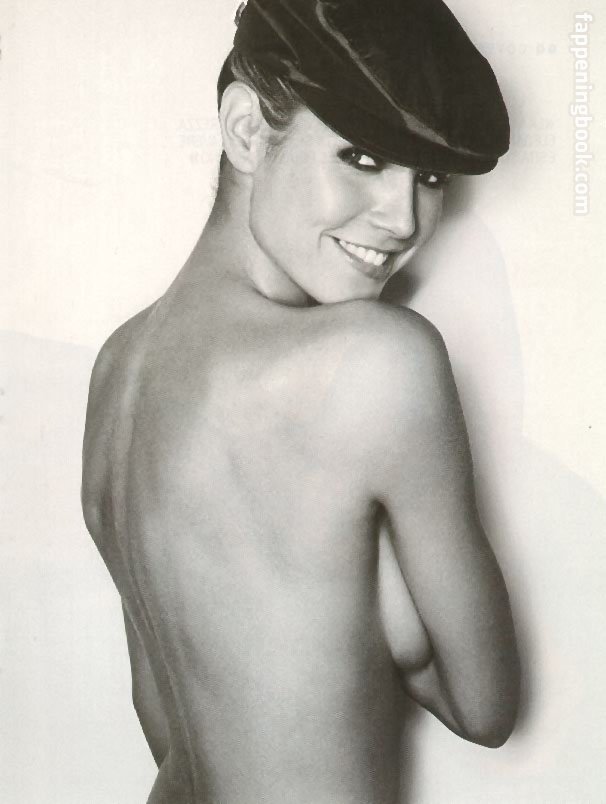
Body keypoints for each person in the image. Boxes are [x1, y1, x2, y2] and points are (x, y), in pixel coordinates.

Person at [81, 0, 520, 801]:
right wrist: (389, 603)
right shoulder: (379, 361)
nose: (403, 219)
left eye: (429, 178)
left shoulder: (117, 370)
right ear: (247, 130)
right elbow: (485, 707)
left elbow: (166, 719)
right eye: (361, 157)